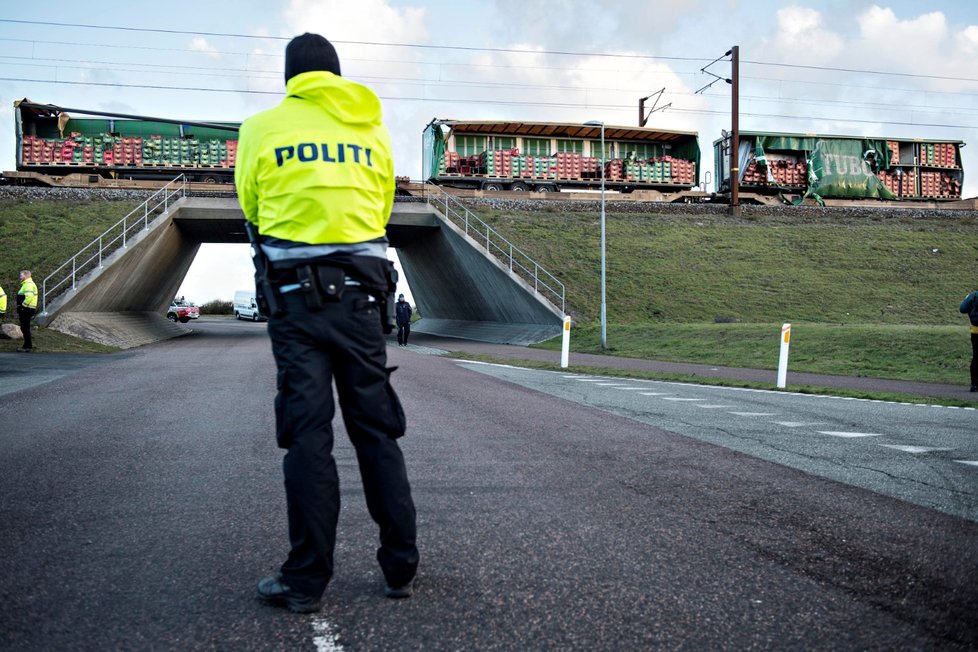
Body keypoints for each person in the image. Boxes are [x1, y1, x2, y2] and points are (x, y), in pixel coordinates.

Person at [235, 32, 418, 614]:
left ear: (290, 78)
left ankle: (306, 581)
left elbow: (252, 207)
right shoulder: (371, 129)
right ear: (336, 75)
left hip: (296, 303)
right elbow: (382, 206)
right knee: (376, 429)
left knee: (307, 437)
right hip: (364, 300)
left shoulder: (262, 127)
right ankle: (400, 567)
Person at [960, 289, 978, 392]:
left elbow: (962, 309)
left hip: (975, 331)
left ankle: (974, 384)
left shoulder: (973, 295)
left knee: (976, 357)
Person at [16, 270, 38, 352]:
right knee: (24, 327)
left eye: (21, 275)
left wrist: (22, 306)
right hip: (27, 309)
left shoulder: (28, 285)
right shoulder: (26, 284)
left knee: (25, 327)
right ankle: (27, 345)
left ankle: (27, 346)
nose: (20, 276)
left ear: (26, 275)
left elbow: (29, 297)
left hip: (27, 309)